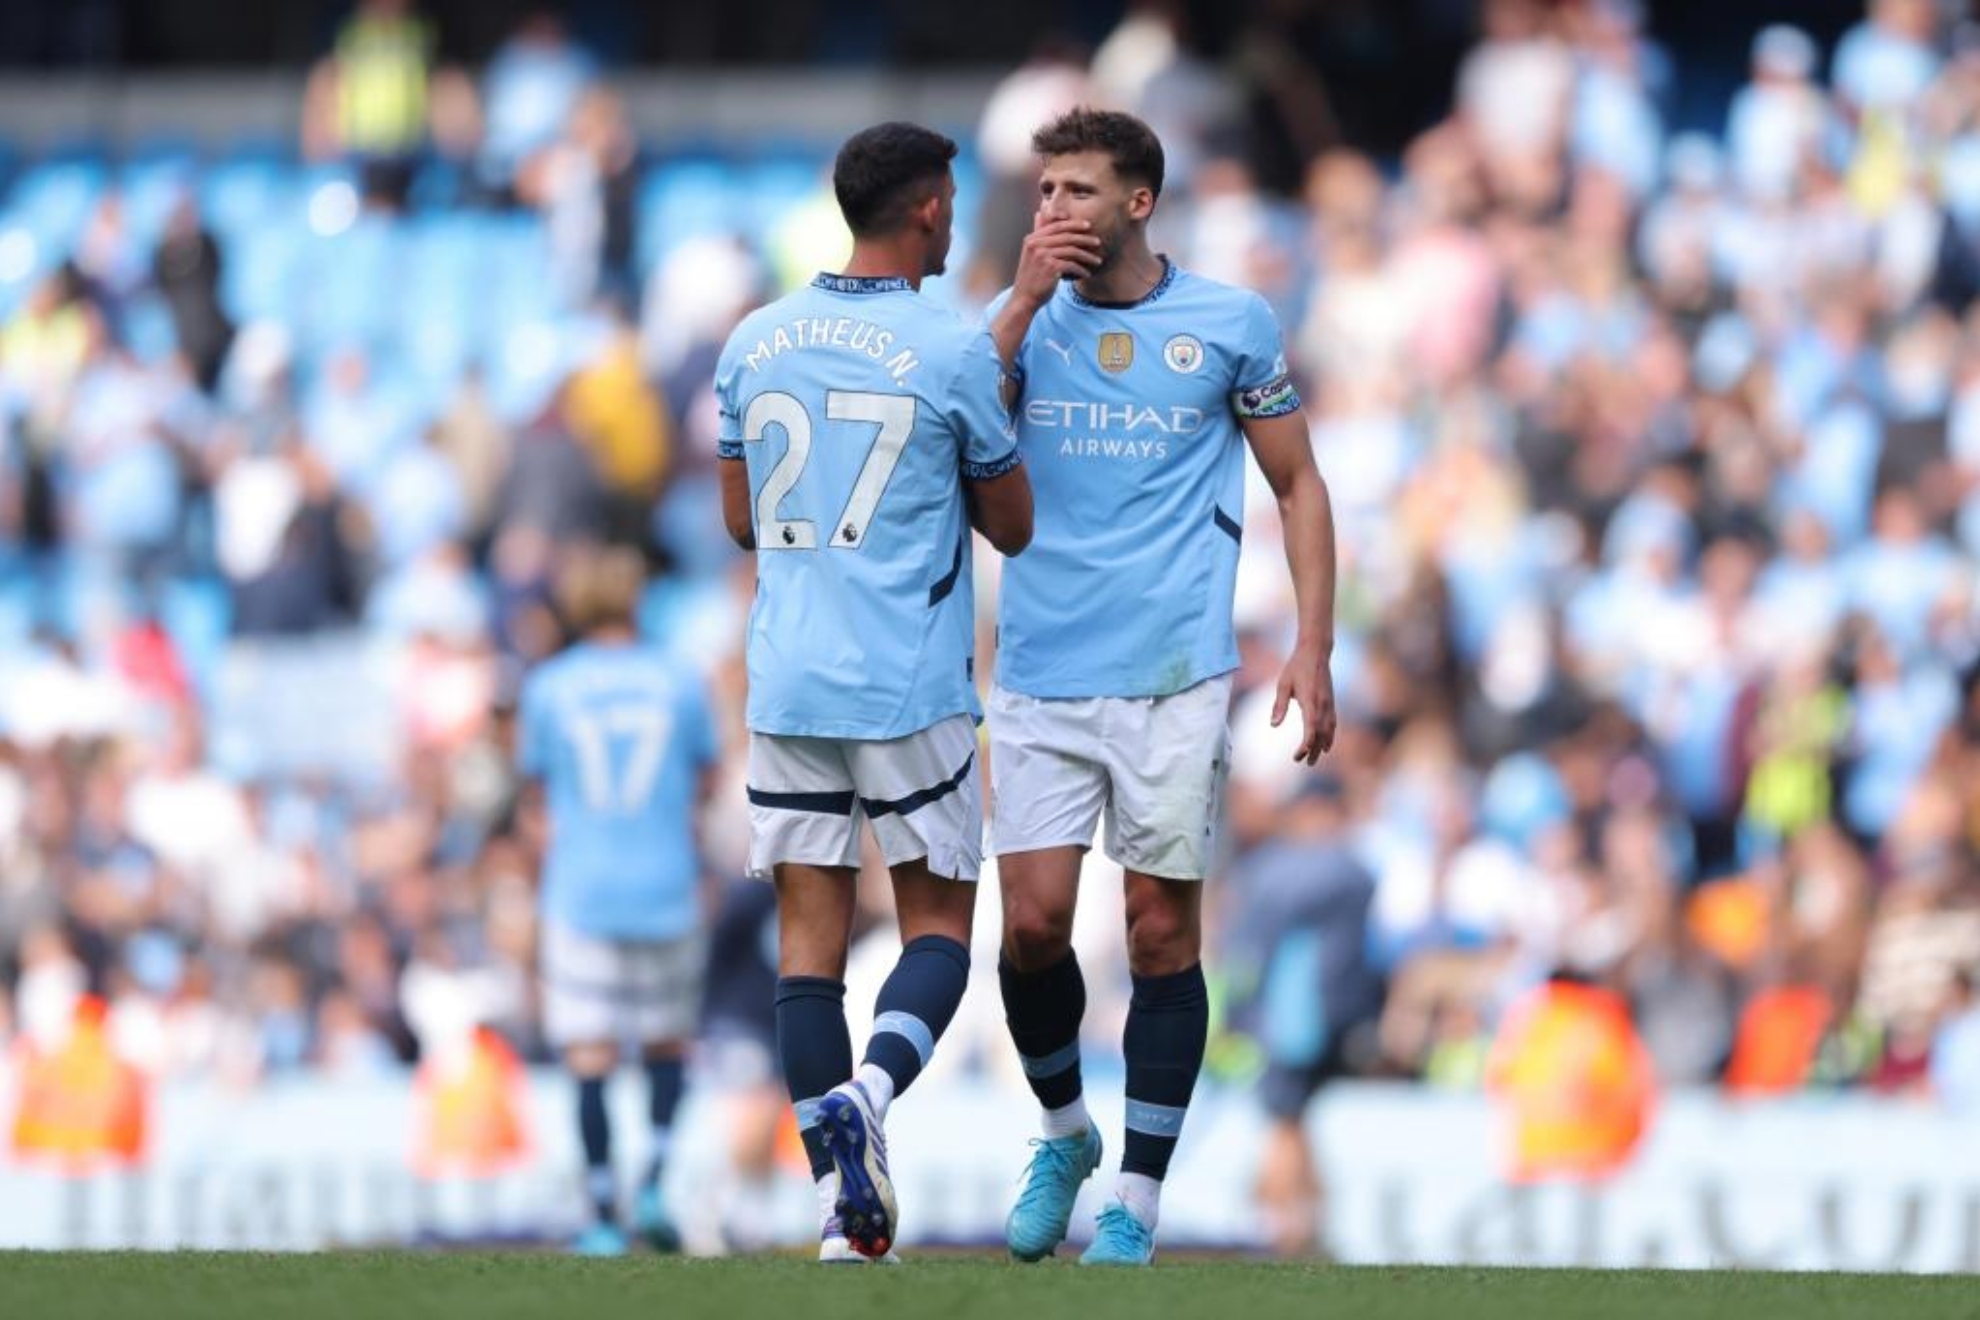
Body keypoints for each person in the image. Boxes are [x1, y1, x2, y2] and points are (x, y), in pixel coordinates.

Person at [986, 106, 1339, 1267]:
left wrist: (1314, 645)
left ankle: (1136, 1196)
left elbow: (1297, 485)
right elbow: (962, 429)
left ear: (1139, 201)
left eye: (1076, 191)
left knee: (1155, 933)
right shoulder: (1014, 324)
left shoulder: (1230, 324)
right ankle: (1063, 1132)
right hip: (1039, 669)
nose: (1053, 212)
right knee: (1035, 926)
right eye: (1043, 193)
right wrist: (1026, 298)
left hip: (1174, 677)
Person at [713, 121, 1033, 1262]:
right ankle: (877, 1096)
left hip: (788, 681)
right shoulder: (949, 350)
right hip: (907, 684)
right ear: (931, 210)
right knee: (939, 924)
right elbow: (1015, 525)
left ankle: (840, 1217)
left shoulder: (753, 340)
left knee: (809, 947)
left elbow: (741, 518)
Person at [515, 547, 720, 1255]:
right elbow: (708, 779)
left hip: (583, 890)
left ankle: (604, 1213)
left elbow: (537, 797)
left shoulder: (549, 687)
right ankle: (657, 1180)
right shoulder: (679, 680)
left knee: (591, 1055)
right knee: (667, 1042)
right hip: (667, 883)